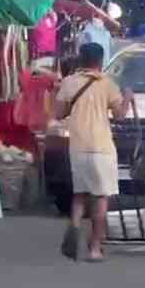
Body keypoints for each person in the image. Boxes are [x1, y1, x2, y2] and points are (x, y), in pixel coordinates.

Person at [54, 42, 133, 262]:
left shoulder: (69, 82)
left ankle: (75, 225)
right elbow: (119, 115)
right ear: (101, 61)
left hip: (77, 147)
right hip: (102, 148)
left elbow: (59, 113)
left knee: (80, 194)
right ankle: (95, 248)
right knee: (100, 197)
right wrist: (127, 97)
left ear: (80, 59)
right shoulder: (107, 84)